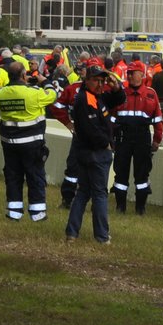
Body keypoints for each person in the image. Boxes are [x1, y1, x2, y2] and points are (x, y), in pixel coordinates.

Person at [56, 67, 118, 244]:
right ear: (87, 80)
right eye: (97, 81)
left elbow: (119, 99)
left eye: (102, 81)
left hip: (88, 152)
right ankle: (101, 235)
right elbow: (91, 129)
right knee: (99, 194)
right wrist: (105, 144)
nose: (101, 84)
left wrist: (116, 86)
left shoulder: (96, 97)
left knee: (83, 192)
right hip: (95, 153)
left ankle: (72, 233)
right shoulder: (85, 99)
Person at [0, 60, 56, 222]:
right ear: (23, 75)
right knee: (35, 176)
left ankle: (14, 212)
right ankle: (38, 212)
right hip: (32, 144)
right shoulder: (34, 93)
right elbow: (53, 95)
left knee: (13, 176)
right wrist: (44, 82)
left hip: (9, 144)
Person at [111, 59, 163, 216]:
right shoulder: (120, 93)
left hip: (142, 137)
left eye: (133, 73)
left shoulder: (151, 94)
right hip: (123, 137)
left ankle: (140, 208)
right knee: (120, 173)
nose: (130, 75)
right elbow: (112, 118)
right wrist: (110, 138)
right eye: (129, 73)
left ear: (142, 74)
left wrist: (157, 139)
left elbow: (158, 120)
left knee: (142, 174)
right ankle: (120, 207)